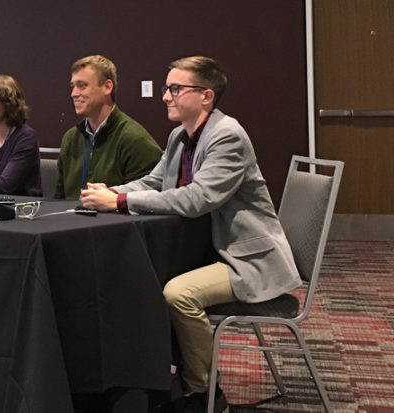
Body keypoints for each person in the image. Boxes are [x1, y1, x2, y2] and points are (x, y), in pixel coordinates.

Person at [80, 56, 300, 413]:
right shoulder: (180, 136)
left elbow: (198, 199)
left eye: (175, 89)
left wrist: (119, 201)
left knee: (178, 294)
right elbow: (154, 181)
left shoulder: (227, 136)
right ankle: (165, 383)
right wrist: (110, 191)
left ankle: (206, 394)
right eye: (167, 88)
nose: (166, 96)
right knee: (147, 280)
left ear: (206, 96)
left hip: (248, 259)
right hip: (211, 250)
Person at [57, 55, 161, 199]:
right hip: (70, 220)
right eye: (73, 86)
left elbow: (144, 202)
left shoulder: (135, 139)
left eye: (82, 85)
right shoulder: (70, 139)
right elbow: (59, 199)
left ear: (107, 87)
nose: (74, 93)